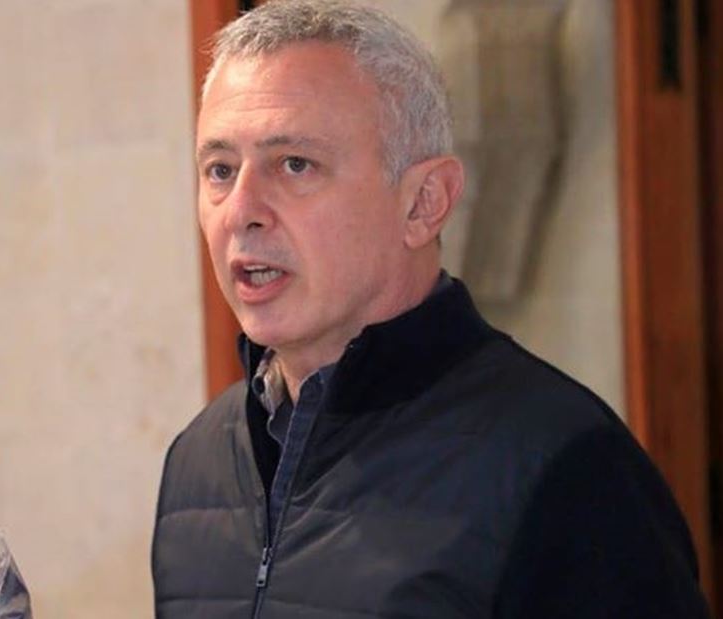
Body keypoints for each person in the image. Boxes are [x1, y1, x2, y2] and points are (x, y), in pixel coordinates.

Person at [151, 1, 712, 617]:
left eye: (295, 164)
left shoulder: (569, 469)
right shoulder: (196, 464)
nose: (240, 211)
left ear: (424, 203)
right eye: (220, 170)